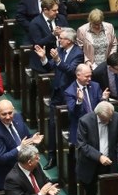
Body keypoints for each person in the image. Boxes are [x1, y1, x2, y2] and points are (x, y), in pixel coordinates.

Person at [36, 28, 83, 169]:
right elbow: (51, 67)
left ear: (69, 40)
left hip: (70, 95)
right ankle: (52, 157)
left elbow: (71, 71)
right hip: (57, 93)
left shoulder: (78, 53)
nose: (59, 39)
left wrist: (57, 60)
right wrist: (44, 58)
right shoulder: (60, 49)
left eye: (61, 38)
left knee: (68, 126)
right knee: (52, 125)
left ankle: (69, 159)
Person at [0, 100, 41, 190]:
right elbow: (2, 158)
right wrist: (20, 148)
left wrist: (33, 139)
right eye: (4, 114)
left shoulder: (18, 117)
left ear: (14, 110)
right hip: (10, 174)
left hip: (28, 166)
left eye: (10, 113)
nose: (8, 117)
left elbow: (26, 137)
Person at [65, 64, 109, 145]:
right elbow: (74, 113)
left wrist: (104, 99)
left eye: (90, 76)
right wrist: (79, 101)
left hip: (97, 126)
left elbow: (99, 106)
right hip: (81, 129)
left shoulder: (95, 86)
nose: (90, 79)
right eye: (87, 76)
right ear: (78, 75)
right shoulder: (70, 91)